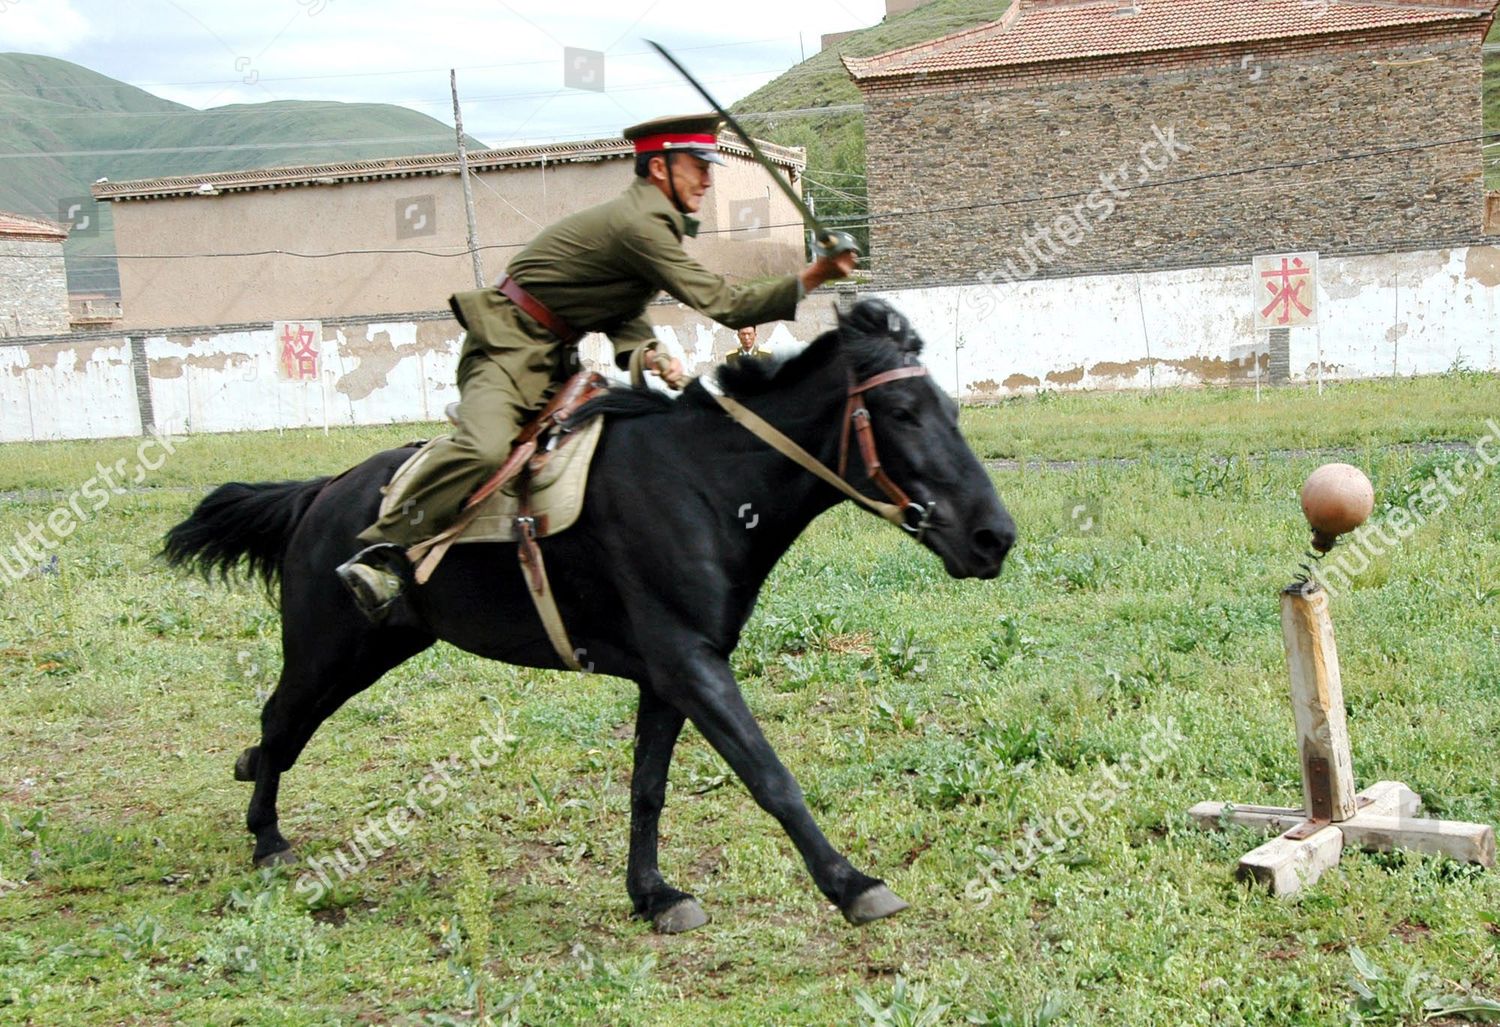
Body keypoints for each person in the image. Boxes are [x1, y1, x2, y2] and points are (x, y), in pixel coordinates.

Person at [336, 113, 858, 620]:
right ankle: (386, 551)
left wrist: (646, 350)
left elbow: (614, 305)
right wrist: (814, 274)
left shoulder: (651, 224)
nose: (706, 178)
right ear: (660, 169)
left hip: (556, 359)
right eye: (697, 165)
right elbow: (728, 305)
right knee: (485, 448)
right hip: (505, 350)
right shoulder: (640, 225)